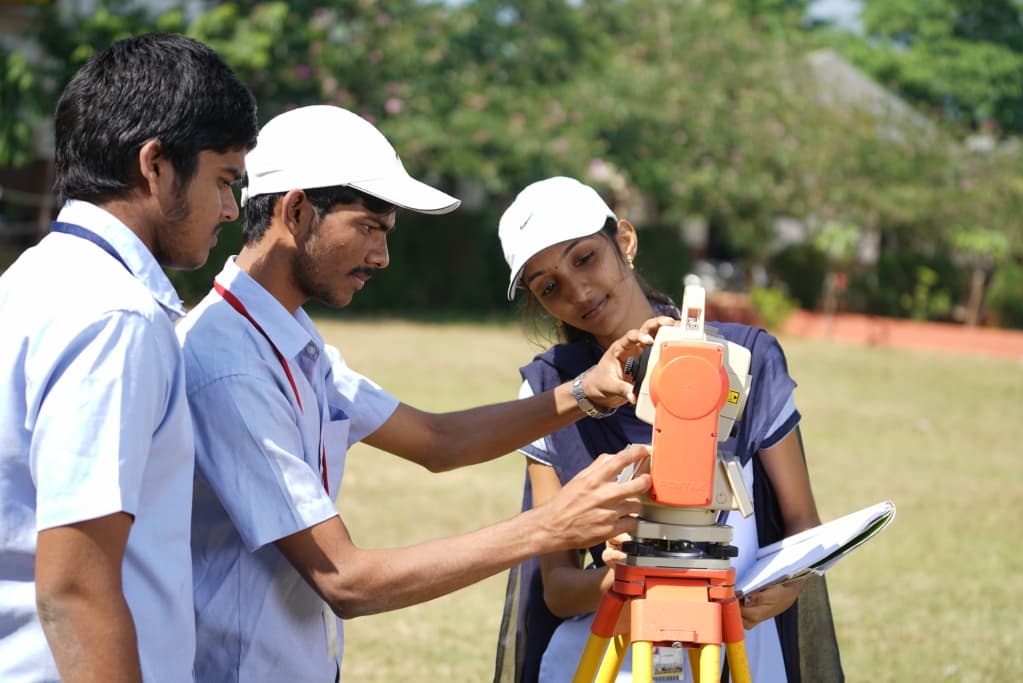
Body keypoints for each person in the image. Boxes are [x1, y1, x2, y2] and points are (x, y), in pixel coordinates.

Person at [176, 105, 667, 682]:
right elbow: (344, 580)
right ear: (296, 209)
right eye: (369, 228)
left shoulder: (287, 340)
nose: (382, 257)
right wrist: (548, 527)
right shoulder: (231, 366)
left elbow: (437, 440)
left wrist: (585, 390)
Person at [492, 177, 845, 682]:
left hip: (735, 640)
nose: (579, 290)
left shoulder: (744, 359)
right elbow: (558, 588)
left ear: (625, 241)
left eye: (585, 258)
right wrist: (622, 573)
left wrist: (788, 587)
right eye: (550, 287)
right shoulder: (551, 392)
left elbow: (801, 523)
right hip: (613, 646)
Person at [0, 33, 258, 682]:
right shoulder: (114, 315)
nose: (230, 209)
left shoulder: (32, 280)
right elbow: (75, 587)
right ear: (156, 165)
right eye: (225, 179)